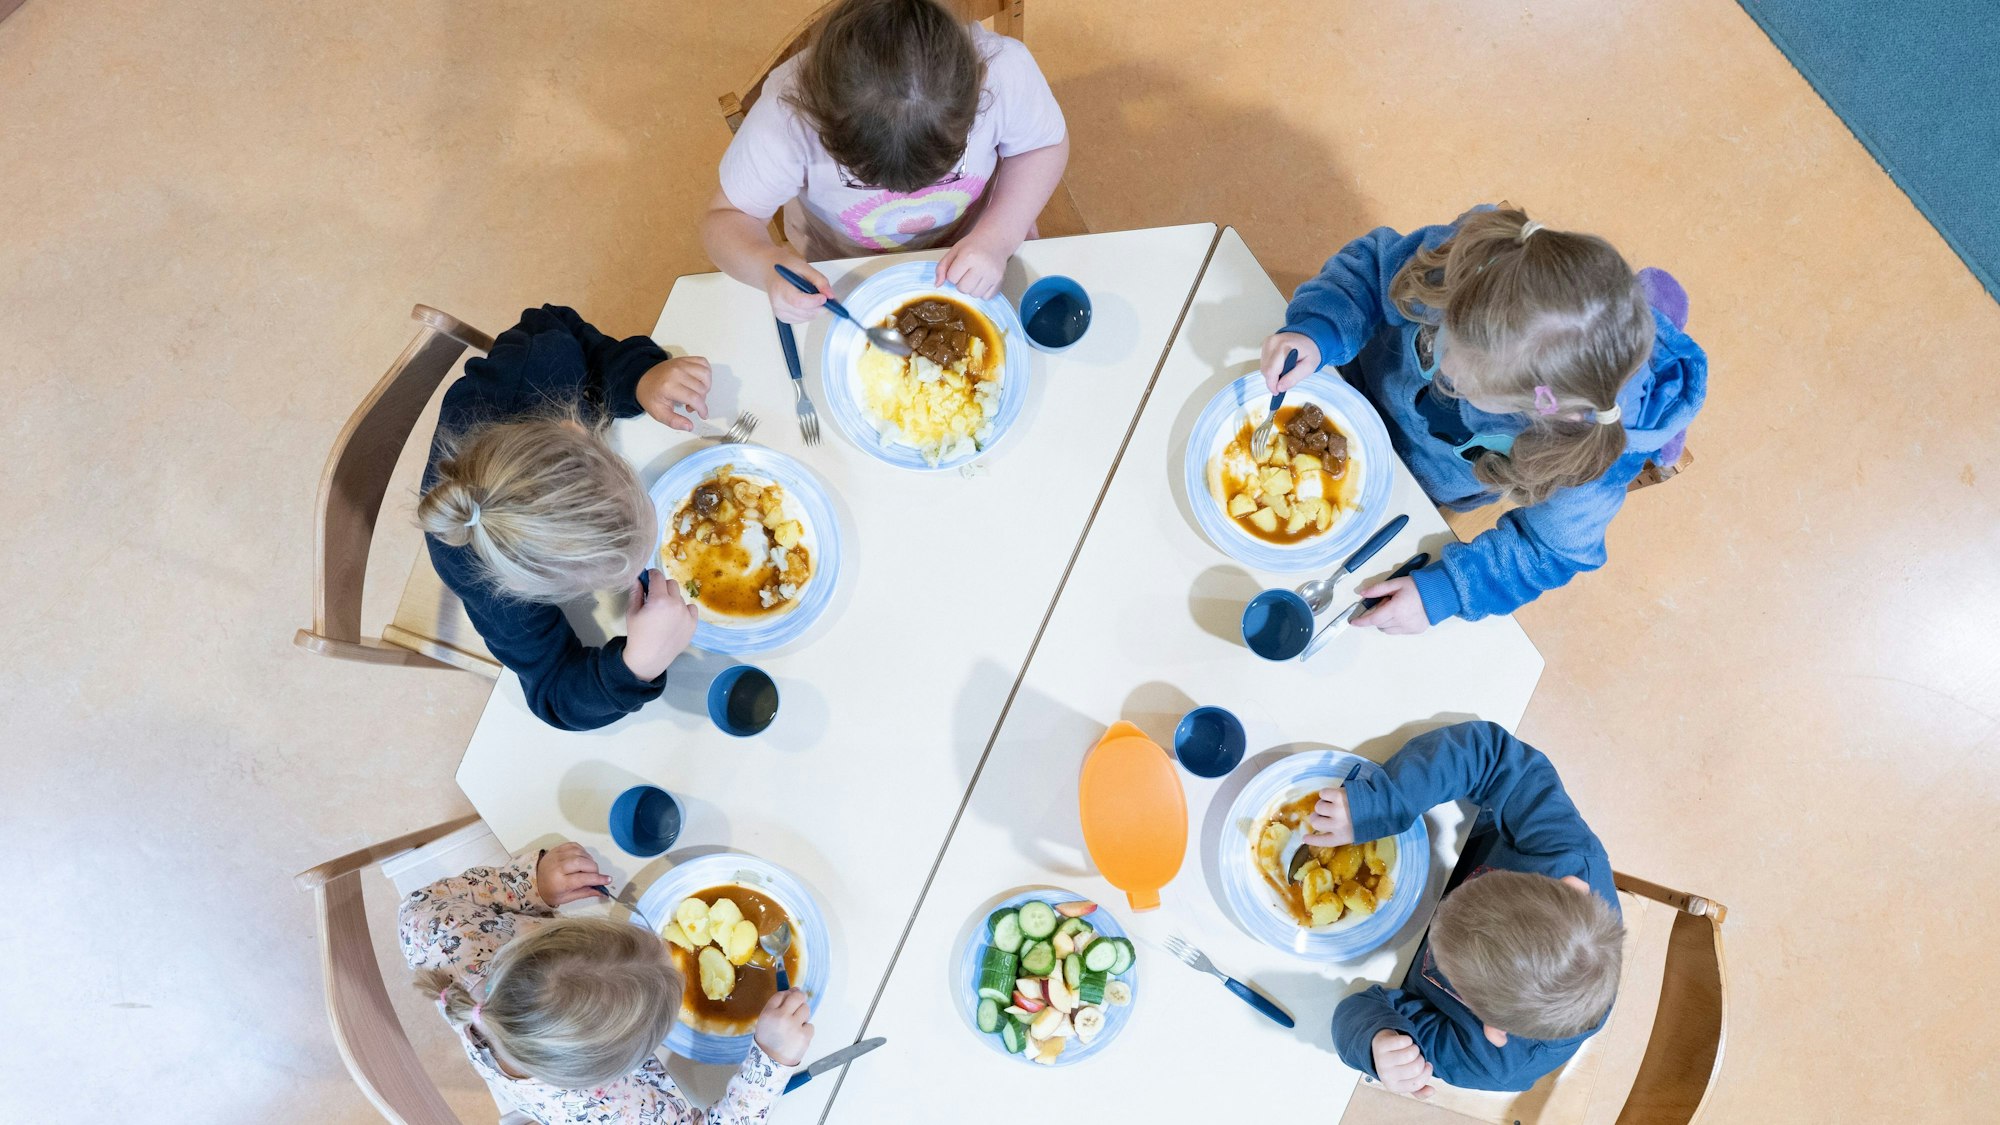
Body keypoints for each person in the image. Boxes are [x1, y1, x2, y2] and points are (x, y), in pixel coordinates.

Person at [1258, 205, 1707, 631]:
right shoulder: (1475, 269)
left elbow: (1546, 552)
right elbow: (1371, 272)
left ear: (1544, 410)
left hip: (1415, 486)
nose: (1441, 367)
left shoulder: (1586, 463)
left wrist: (1446, 591)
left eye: (1461, 385)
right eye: (1437, 339)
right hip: (1349, 375)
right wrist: (1320, 328)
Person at [417, 304, 708, 731]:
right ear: (526, 589)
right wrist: (636, 667)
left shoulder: (540, 359)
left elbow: (561, 325)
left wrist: (638, 379)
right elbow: (553, 693)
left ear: (577, 428)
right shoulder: (486, 578)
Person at [1308, 722, 1623, 1093]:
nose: (1437, 909)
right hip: (1451, 835)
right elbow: (1491, 755)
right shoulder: (1567, 856)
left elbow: (1360, 1015)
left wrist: (1376, 1045)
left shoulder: (1489, 1061)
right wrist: (1380, 803)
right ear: (1569, 886)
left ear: (1494, 1028)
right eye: (1484, 886)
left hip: (1368, 953)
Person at [402, 841, 814, 1123]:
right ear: (632, 1062)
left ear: (544, 938)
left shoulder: (443, 932)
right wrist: (771, 1061)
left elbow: (417, 905)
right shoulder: (612, 1110)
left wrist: (530, 883)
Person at [701, 0, 1070, 315]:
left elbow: (1042, 146)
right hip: (843, 265)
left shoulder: (1004, 72)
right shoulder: (785, 117)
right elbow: (726, 219)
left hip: (981, 241)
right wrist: (767, 267)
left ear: (978, 90)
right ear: (819, 117)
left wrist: (1000, 234)